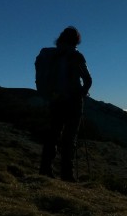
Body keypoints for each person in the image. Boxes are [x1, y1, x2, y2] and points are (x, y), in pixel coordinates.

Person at [39, 26, 92, 181]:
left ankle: (45, 170)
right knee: (69, 138)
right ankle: (67, 175)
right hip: (73, 102)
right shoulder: (76, 56)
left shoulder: (52, 55)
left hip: (55, 100)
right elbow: (88, 80)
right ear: (77, 40)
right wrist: (81, 93)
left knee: (52, 135)